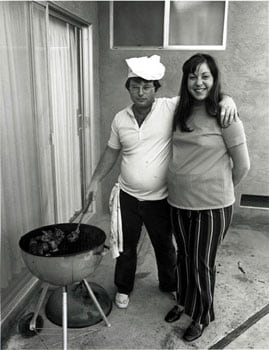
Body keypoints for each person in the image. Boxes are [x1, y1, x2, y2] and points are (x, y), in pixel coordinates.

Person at [87, 55, 238, 309]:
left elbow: (202, 93)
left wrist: (227, 98)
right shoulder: (120, 118)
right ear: (128, 88)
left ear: (156, 88)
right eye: (135, 86)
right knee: (125, 246)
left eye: (146, 86)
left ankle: (170, 284)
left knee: (165, 246)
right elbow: (111, 151)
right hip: (128, 195)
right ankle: (123, 287)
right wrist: (94, 181)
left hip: (161, 197)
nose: (140, 92)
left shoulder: (170, 108)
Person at [164, 53, 250, 342]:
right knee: (184, 257)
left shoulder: (225, 114)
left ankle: (202, 315)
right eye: (192, 76)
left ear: (214, 80)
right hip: (178, 202)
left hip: (212, 206)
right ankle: (184, 301)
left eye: (205, 76)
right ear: (185, 79)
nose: (198, 82)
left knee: (202, 262)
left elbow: (243, 166)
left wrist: (219, 188)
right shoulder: (179, 110)